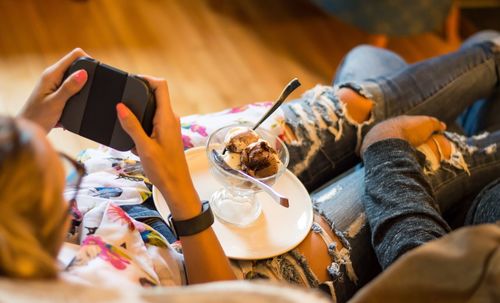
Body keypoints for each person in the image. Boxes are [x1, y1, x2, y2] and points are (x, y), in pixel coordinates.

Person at [1, 30, 499, 301]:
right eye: (65, 172)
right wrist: (178, 192)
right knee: (418, 156)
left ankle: (491, 54)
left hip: (172, 167)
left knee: (351, 105)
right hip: (234, 259)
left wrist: (26, 133)